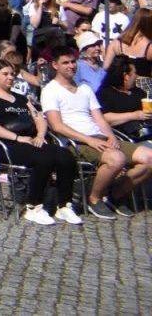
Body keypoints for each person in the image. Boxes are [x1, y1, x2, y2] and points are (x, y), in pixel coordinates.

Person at [41, 45, 152, 217]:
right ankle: (94, 198)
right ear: (55, 65)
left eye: (73, 62)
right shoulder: (50, 91)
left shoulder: (84, 89)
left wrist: (110, 136)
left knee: (148, 157)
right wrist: (88, 139)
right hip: (76, 142)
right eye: (66, 63)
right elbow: (57, 126)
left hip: (99, 137)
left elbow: (99, 117)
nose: (71, 66)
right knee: (116, 159)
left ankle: (115, 195)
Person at [0, 59, 80, 226]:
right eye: (5, 74)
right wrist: (16, 137)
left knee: (65, 156)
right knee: (44, 159)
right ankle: (34, 206)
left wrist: (40, 135)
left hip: (32, 141)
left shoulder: (21, 98)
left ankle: (64, 204)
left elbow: (38, 117)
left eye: (12, 74)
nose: (10, 77)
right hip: (8, 145)